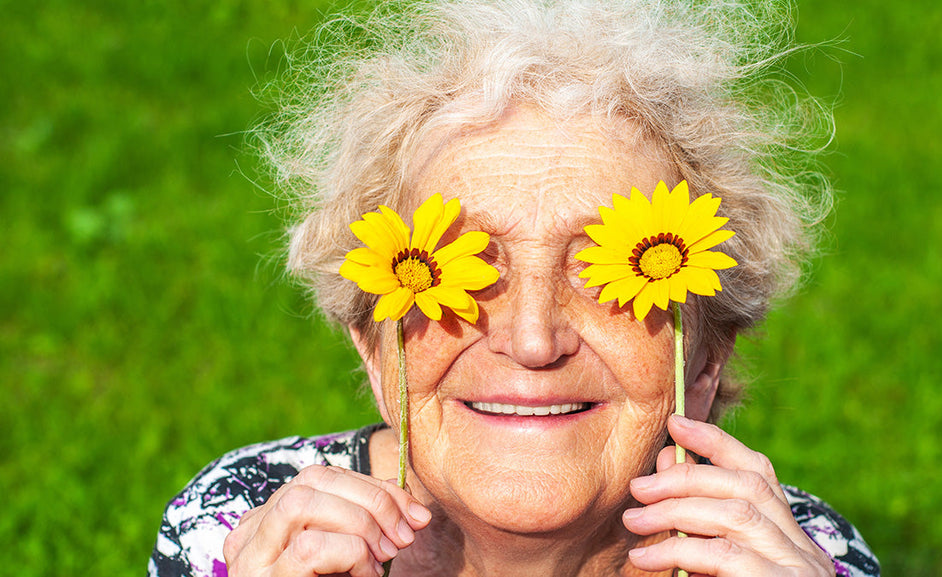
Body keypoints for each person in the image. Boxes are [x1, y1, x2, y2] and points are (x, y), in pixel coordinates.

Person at [149, 1, 880, 575]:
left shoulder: (791, 557)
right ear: (371, 343)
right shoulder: (243, 527)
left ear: (708, 358)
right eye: (468, 268)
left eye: (599, 272)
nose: (533, 339)